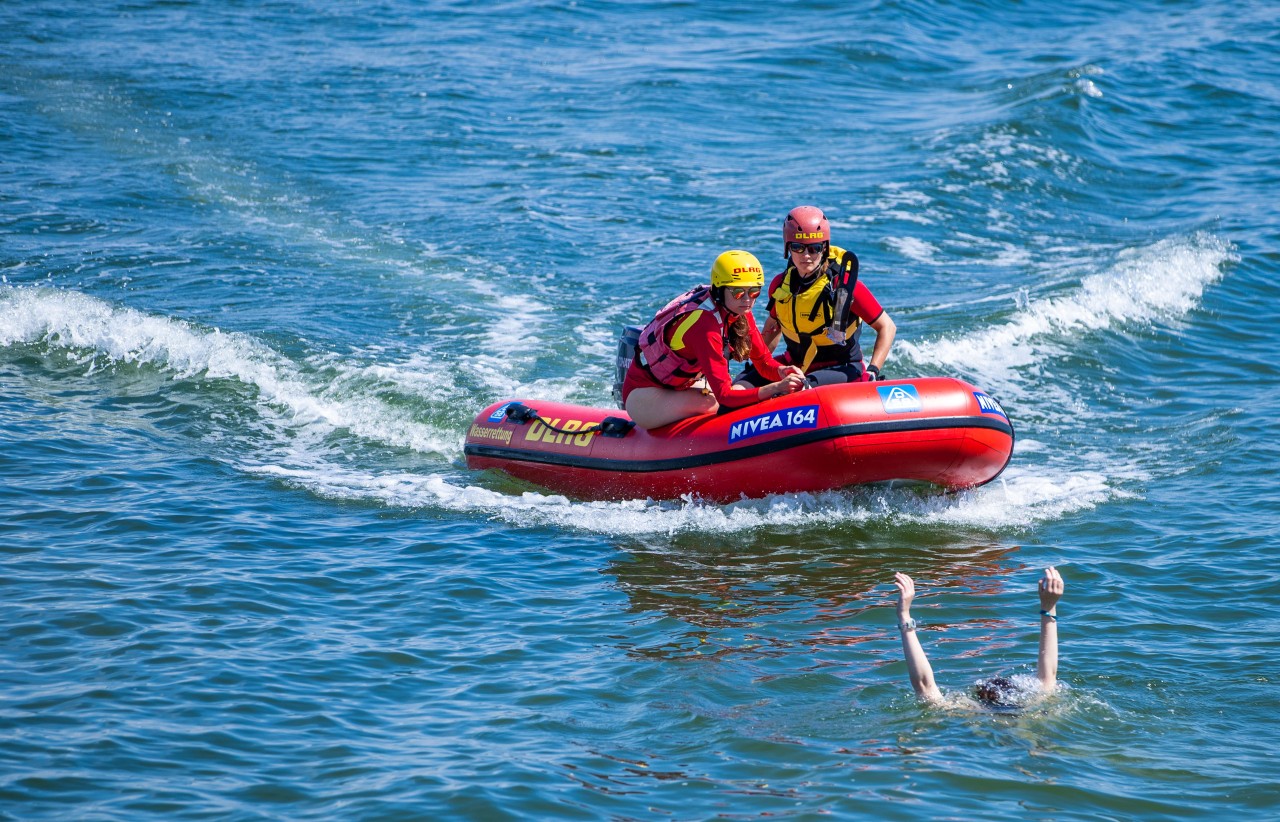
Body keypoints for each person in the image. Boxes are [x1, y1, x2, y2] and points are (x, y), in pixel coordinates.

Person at [621, 250, 806, 430]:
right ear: (720, 290)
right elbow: (725, 396)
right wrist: (774, 389)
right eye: (739, 292)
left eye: (754, 292)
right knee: (716, 403)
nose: (748, 300)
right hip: (645, 395)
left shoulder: (739, 311)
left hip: (682, 387)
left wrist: (782, 371)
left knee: (731, 396)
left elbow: (764, 363)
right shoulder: (704, 325)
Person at [736, 206, 897, 389]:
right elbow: (773, 329)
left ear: (825, 248)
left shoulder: (844, 287)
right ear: (788, 248)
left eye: (814, 248)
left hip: (841, 368)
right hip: (796, 366)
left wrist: (873, 370)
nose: (806, 255)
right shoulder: (780, 286)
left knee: (799, 387)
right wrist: (760, 366)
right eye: (798, 247)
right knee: (741, 386)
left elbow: (887, 327)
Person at [893, 567, 1064, 708]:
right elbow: (1049, 673)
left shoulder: (969, 711)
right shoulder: (1033, 705)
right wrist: (1049, 606)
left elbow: (924, 685)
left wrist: (904, 615)